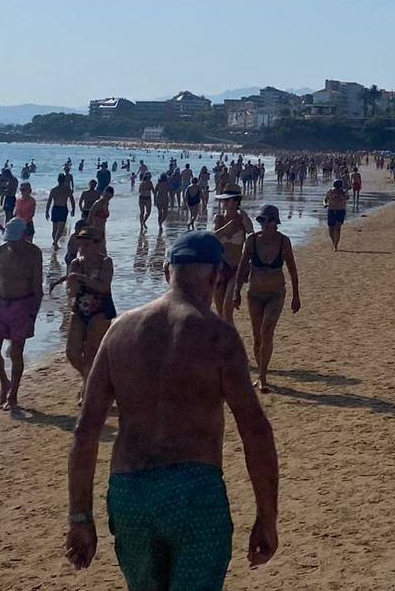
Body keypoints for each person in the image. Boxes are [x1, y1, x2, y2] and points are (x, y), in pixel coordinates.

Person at [65, 230, 279, 587]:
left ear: (167, 273)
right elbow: (255, 431)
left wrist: (80, 516)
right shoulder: (218, 335)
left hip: (130, 492)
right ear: (215, 277)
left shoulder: (119, 331)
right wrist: (267, 517)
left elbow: (86, 430)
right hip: (193, 490)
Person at [233, 205, 301, 393]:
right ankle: (261, 373)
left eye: (268, 220)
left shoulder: (283, 242)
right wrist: (236, 292)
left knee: (266, 331)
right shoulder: (252, 241)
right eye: (261, 220)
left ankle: (263, 376)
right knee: (256, 337)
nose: (264, 224)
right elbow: (241, 268)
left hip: (276, 294)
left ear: (275, 222)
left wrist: (296, 295)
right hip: (254, 294)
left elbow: (292, 269)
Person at [0, 217, 43, 410]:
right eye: (9, 240)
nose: (12, 244)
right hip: (0, 303)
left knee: (16, 353)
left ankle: (14, 395)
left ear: (24, 236)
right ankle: (4, 382)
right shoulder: (2, 251)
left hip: (22, 304)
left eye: (15, 240)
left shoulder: (34, 253)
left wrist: (33, 314)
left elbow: (37, 287)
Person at [50, 226, 115, 400]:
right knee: (72, 352)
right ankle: (90, 379)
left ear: (97, 244)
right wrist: (72, 287)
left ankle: (88, 388)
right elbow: (70, 291)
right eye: (81, 242)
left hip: (101, 308)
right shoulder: (75, 264)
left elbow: (104, 287)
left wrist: (82, 278)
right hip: (80, 307)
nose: (83, 246)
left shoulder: (105, 262)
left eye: (87, 243)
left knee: (92, 351)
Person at [212, 183, 253, 322]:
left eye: (226, 199)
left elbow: (251, 236)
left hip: (236, 268)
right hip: (219, 268)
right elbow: (213, 237)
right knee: (220, 315)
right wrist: (229, 226)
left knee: (227, 310)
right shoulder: (219, 218)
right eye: (223, 200)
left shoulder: (243, 219)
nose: (223, 202)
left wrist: (245, 219)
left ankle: (232, 342)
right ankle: (224, 342)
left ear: (235, 201)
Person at [46, 173, 75, 250]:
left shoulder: (54, 190)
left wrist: (47, 212)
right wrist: (73, 209)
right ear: (64, 180)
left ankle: (55, 242)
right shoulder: (67, 189)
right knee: (60, 229)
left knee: (55, 229)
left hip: (55, 209)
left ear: (58, 180)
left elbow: (49, 202)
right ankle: (55, 243)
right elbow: (72, 200)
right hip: (62, 209)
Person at [323, 179, 349, 250]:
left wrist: (342, 194)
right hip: (331, 210)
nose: (337, 189)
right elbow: (325, 199)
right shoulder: (331, 191)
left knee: (337, 228)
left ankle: (335, 245)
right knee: (331, 230)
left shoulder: (343, 192)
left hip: (340, 211)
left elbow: (347, 198)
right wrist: (325, 204)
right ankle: (333, 242)